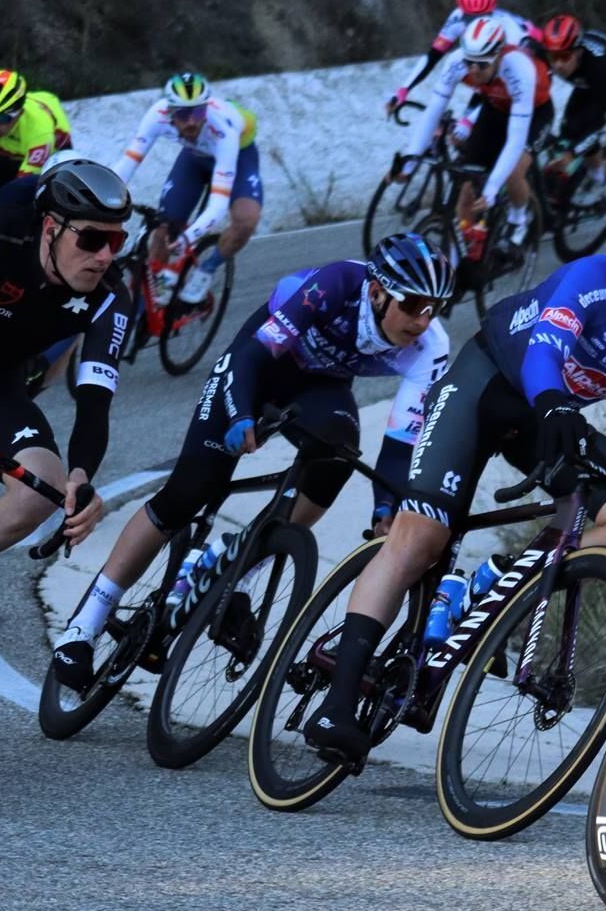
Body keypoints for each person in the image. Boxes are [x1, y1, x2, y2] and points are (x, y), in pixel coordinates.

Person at [297, 205, 606, 763]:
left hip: (548, 412)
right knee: (419, 540)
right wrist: (558, 407)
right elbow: (543, 354)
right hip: (486, 386)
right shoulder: (599, 281)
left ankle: (496, 587)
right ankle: (336, 705)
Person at [48, 233, 456, 691]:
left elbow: (401, 444)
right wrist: (241, 413)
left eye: (434, 307)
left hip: (320, 385)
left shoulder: (430, 347)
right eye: (414, 303)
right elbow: (251, 356)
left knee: (338, 455)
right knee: (189, 492)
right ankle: (86, 621)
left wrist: (386, 507)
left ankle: (241, 557)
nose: (423, 320)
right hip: (259, 365)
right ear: (378, 291)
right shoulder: (337, 284)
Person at [0, 159, 133, 556]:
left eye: (116, 242)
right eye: (91, 240)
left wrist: (81, 477)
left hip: (0, 384)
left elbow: (94, 402)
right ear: (51, 229)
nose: (105, 256)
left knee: (43, 487)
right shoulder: (0, 236)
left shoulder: (108, 298)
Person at [395, 17, 551, 250]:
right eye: (469, 62)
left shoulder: (519, 69)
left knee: (513, 172)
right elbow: (433, 111)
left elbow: (516, 138)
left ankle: (519, 220)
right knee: (465, 185)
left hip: (534, 113)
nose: (473, 70)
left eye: (482, 64)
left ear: (498, 55)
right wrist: (411, 158)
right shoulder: (457, 62)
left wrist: (492, 189)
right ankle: (466, 246)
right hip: (494, 108)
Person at [114, 71, 263, 305]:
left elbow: (218, 206)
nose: (192, 121)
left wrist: (188, 239)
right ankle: (151, 298)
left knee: (246, 220)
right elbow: (127, 164)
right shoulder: (157, 115)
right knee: (165, 226)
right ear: (170, 111)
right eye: (184, 113)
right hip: (195, 157)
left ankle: (206, 269)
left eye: (198, 111)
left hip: (237, 155)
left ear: (206, 108)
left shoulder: (222, 128)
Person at [384, 0, 536, 116]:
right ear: (461, 8)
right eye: (470, 17)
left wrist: (467, 118)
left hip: (528, 56)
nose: (477, 22)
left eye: (483, 16)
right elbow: (433, 56)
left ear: (493, 10)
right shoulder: (457, 17)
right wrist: (404, 89)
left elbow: (495, 83)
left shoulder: (505, 28)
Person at [538, 14, 606, 179]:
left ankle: (597, 177)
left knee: (590, 122)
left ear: (579, 52)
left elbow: (597, 127)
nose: (558, 64)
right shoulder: (553, 55)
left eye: (565, 56)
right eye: (553, 57)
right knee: (568, 126)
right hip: (592, 76)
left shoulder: (599, 69)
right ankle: (567, 176)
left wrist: (572, 154)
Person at [0, 69, 73, 193]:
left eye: (3, 118)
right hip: (6, 147)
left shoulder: (39, 133)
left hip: (51, 148)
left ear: (19, 114)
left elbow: (20, 189)